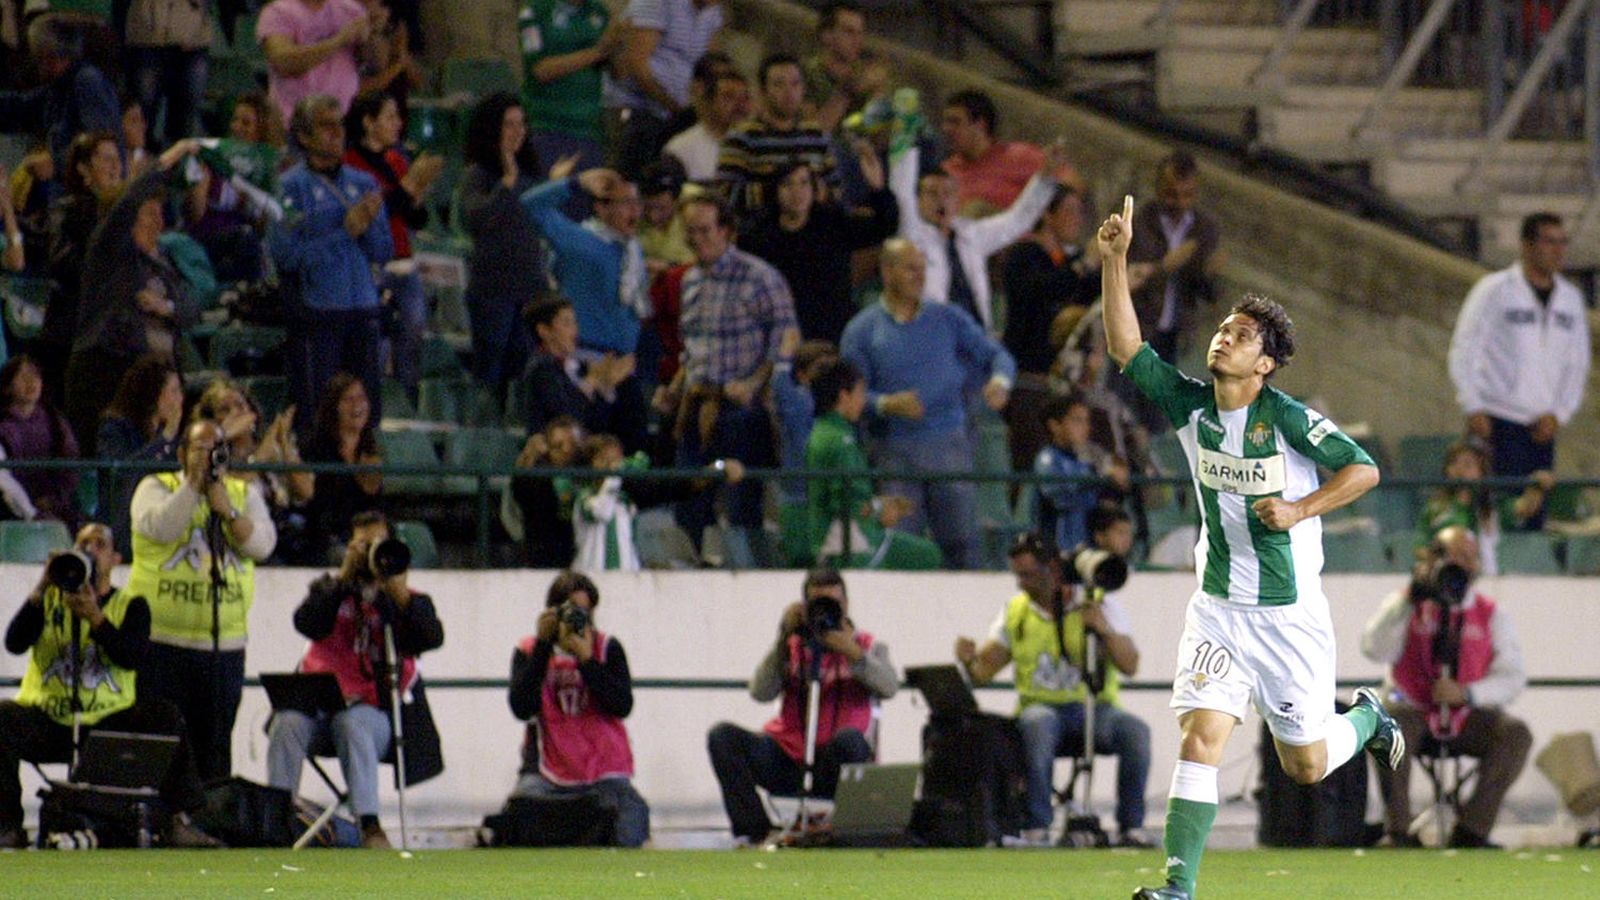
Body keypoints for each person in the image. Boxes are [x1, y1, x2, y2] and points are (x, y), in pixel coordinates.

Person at [1096, 197, 1403, 900]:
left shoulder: (1287, 419)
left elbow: (1364, 469)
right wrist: (1115, 262)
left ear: (1265, 364)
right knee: (1202, 735)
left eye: (1240, 336)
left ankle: (1367, 719)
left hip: (1287, 617)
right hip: (1218, 608)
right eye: (1224, 329)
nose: (1223, 339)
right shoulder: (1191, 406)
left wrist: (1300, 507)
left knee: (1305, 765)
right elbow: (1125, 350)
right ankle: (1178, 886)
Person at [0, 522, 219, 849]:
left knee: (165, 716)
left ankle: (179, 819)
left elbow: (132, 656)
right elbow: (14, 643)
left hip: (106, 724)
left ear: (115, 559)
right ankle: (7, 827)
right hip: (51, 718)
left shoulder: (130, 605)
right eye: (83, 543)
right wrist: (43, 586)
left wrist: (96, 620)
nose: (90, 549)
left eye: (99, 544)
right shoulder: (47, 602)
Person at [955, 532, 1151, 847]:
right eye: (1018, 575)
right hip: (1041, 707)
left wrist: (1103, 629)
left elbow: (1130, 665)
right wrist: (968, 661)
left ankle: (1132, 827)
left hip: (1094, 707)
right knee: (1038, 724)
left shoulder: (1099, 603)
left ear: (1054, 571)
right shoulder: (1016, 611)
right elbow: (983, 671)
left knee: (1135, 732)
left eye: (1029, 575)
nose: (1022, 583)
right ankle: (1037, 826)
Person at [267, 510, 444, 850]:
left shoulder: (408, 602)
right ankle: (275, 821)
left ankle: (370, 825)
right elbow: (307, 623)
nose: (370, 554)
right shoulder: (329, 591)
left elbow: (430, 637)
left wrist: (397, 591)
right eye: (362, 545)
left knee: (353, 722)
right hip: (320, 713)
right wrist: (343, 579)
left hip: (374, 719)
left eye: (378, 545)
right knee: (286, 721)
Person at [839, 238, 1015, 570]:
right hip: (893, 451)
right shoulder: (861, 331)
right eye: (910, 268)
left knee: (963, 543)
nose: (920, 276)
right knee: (901, 547)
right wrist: (885, 404)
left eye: (923, 268)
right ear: (886, 272)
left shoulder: (948, 318)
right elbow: (848, 397)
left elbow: (998, 356)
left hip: (949, 447)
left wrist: (999, 380)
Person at [1360, 525, 1531, 849]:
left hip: (1465, 714)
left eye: (1471, 558)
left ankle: (1472, 831)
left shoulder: (1491, 614)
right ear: (1435, 558)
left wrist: (1469, 693)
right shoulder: (1406, 604)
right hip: (1411, 709)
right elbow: (1374, 648)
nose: (1464, 566)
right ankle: (1398, 831)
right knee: (1386, 724)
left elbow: (1513, 676)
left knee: (1515, 734)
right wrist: (1411, 597)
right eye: (1456, 557)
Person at [128, 420, 277, 780]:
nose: (210, 455)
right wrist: (194, 486)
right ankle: (156, 824)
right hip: (162, 645)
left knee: (213, 745)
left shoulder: (243, 495)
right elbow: (161, 528)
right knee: (160, 743)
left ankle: (208, 824)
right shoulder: (155, 487)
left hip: (222, 648)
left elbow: (262, 545)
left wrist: (226, 509)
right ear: (181, 454)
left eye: (217, 447)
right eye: (200, 448)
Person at [706, 568, 897, 845]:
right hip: (788, 757)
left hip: (837, 762)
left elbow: (889, 686)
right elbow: (760, 691)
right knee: (722, 737)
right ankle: (756, 831)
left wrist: (852, 652)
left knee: (851, 741)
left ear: (846, 605)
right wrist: (783, 638)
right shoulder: (793, 646)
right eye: (817, 604)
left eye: (833, 603)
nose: (825, 612)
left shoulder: (868, 646)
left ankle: (844, 833)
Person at [665, 194, 797, 567]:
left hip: (741, 413)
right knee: (688, 499)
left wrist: (754, 383)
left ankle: (749, 576)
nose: (698, 238)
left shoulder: (761, 278)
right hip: (696, 406)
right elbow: (691, 348)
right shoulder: (689, 281)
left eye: (705, 230)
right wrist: (675, 388)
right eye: (691, 231)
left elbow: (786, 340)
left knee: (742, 507)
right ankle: (690, 574)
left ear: (726, 231)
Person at [63, 143, 203, 457]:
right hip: (106, 373)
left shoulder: (161, 262)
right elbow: (128, 200)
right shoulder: (109, 254)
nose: (159, 223)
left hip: (153, 384)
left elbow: (192, 306)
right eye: (150, 214)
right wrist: (168, 159)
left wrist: (166, 307)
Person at [1448, 212, 1590, 504]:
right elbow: (1465, 347)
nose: (1558, 250)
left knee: (1533, 511)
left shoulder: (1569, 299)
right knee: (1493, 509)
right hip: (1497, 420)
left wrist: (1560, 413)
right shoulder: (1495, 290)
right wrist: (1473, 404)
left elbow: (1577, 363)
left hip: (1542, 428)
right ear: (1527, 245)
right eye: (1549, 241)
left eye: (1562, 242)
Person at [271, 93, 393, 431]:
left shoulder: (364, 183)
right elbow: (286, 256)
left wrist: (365, 230)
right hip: (319, 318)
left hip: (363, 312)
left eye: (339, 125)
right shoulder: (289, 188)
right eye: (325, 127)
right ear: (305, 136)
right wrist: (345, 232)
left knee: (367, 416)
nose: (336, 133)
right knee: (319, 417)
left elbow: (383, 249)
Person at [506, 570, 648, 846]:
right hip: (546, 773)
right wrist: (544, 647)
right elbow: (522, 708)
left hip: (603, 770)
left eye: (584, 612)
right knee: (520, 812)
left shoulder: (606, 648)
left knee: (629, 817)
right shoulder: (529, 650)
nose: (577, 620)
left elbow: (621, 705)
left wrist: (586, 659)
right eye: (570, 611)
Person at [888, 139, 1067, 332]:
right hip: (935, 341)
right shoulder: (912, 236)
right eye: (932, 193)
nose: (941, 200)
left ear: (957, 200)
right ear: (918, 200)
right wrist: (905, 146)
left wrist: (1045, 175)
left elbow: (1017, 220)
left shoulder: (972, 235)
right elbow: (902, 197)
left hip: (976, 339)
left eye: (947, 193)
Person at [739, 144, 896, 346]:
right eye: (788, 184)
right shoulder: (758, 235)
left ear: (814, 188)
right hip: (778, 338)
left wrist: (878, 189)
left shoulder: (832, 223)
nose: (797, 192)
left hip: (833, 335)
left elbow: (883, 227)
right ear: (775, 190)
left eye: (804, 183)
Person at [343, 90, 443, 404]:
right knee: (374, 335)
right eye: (389, 117)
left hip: (402, 259)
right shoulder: (350, 165)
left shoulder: (397, 160)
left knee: (414, 326)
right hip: (368, 264)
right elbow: (373, 213)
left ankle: (407, 396)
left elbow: (416, 218)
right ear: (368, 122)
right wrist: (407, 188)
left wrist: (418, 191)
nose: (398, 124)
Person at [804, 358, 939, 569]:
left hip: (840, 537)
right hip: (848, 543)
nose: (863, 400)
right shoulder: (840, 441)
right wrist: (881, 509)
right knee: (928, 555)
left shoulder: (825, 432)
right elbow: (847, 503)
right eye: (860, 393)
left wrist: (884, 503)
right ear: (843, 396)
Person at [1002, 183, 1097, 473]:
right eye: (1069, 211)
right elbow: (1039, 291)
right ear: (1047, 214)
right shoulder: (1023, 256)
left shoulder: (1075, 262)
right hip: (1027, 383)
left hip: (1065, 386)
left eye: (1080, 212)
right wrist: (1083, 266)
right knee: (1031, 465)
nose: (1077, 219)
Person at [457, 92, 540, 398]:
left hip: (528, 286)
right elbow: (477, 218)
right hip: (493, 289)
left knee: (523, 367)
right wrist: (506, 181)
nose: (518, 132)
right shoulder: (477, 176)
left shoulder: (530, 176)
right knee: (490, 367)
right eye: (509, 125)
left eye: (522, 124)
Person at [520, 164, 649, 359]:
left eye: (638, 203)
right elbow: (529, 205)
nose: (635, 212)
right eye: (626, 203)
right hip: (584, 353)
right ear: (601, 208)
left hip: (623, 360)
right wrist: (576, 183)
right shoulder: (577, 238)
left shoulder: (632, 250)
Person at [1124, 151, 1226, 366]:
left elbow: (1210, 294)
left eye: (1187, 195)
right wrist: (1166, 266)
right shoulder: (1140, 223)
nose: (1179, 203)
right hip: (1139, 328)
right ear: (1159, 188)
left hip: (1175, 336)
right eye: (1172, 194)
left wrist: (1209, 274)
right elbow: (1129, 279)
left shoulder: (1204, 229)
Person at [602, 0, 724, 180]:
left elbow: (709, 64)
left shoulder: (711, 11)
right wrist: (677, 108)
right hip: (636, 110)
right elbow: (636, 64)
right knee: (626, 181)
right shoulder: (657, 3)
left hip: (673, 115)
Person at [717, 53, 839, 224]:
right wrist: (776, 191)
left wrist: (816, 191)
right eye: (778, 85)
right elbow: (724, 195)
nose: (789, 92)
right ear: (763, 91)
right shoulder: (742, 137)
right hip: (760, 236)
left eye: (795, 84)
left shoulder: (816, 136)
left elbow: (837, 191)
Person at [520, 296, 648, 454]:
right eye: (567, 323)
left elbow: (597, 417)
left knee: (628, 389)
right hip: (558, 450)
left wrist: (608, 384)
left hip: (588, 443)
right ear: (544, 331)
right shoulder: (540, 369)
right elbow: (566, 418)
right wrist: (593, 382)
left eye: (574, 322)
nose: (575, 330)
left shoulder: (578, 365)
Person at [0, 15, 120, 168]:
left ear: (49, 55)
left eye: (37, 56)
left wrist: (55, 162)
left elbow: (99, 142)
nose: (35, 64)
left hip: (85, 186)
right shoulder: (59, 88)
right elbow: (20, 109)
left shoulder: (87, 82)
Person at [938, 89, 1081, 215]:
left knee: (977, 209)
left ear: (980, 125)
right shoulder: (946, 171)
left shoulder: (1018, 156)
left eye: (955, 122)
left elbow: (1073, 185)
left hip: (1016, 237)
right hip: (965, 239)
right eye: (945, 122)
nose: (946, 129)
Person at [96, 354, 184, 557]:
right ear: (154, 394)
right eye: (174, 391)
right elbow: (123, 473)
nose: (180, 398)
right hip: (122, 522)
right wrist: (165, 438)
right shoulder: (115, 429)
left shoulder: (174, 439)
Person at [518, 0, 621, 172]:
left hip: (590, 131)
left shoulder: (599, 12)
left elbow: (617, 73)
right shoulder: (534, 12)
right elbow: (541, 70)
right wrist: (598, 52)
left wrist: (619, 44)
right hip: (548, 128)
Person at [1417, 440, 1550, 573]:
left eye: (1467, 464)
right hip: (1446, 580)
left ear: (1481, 471)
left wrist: (1537, 487)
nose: (1459, 469)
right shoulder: (1434, 508)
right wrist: (1446, 561)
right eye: (1453, 463)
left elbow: (1526, 508)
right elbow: (1420, 547)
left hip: (1488, 580)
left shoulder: (1494, 506)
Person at [1033, 391, 1130, 554]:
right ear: (1055, 425)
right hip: (1058, 549)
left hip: (1085, 547)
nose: (1085, 428)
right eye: (1077, 421)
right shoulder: (1048, 459)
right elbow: (1060, 495)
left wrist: (1115, 484)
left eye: (1086, 421)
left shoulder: (1084, 462)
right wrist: (1103, 478)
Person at [303, 373, 383, 564]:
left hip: (369, 536)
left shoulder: (371, 450)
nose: (357, 405)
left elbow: (372, 496)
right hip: (329, 539)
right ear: (334, 407)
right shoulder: (317, 448)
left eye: (361, 398)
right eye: (349, 399)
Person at [258, 0, 370, 125]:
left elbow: (374, 61)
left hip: (345, 118)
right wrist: (338, 41)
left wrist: (371, 36)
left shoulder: (351, 8)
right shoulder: (278, 11)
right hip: (296, 122)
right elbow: (284, 62)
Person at [0, 354, 80, 527]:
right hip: (12, 511)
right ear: (7, 386)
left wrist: (54, 499)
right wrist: (30, 509)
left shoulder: (55, 422)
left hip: (55, 507)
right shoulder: (3, 426)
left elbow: (70, 465)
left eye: (35, 375)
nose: (31, 382)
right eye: (23, 377)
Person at [123, 0, 212, 147]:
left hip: (193, 37)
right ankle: (138, 165)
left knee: (185, 119)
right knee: (141, 116)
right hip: (147, 37)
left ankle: (178, 165)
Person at [801, 1, 889, 133]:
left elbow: (878, 136)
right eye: (849, 32)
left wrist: (878, 93)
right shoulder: (805, 73)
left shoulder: (865, 72)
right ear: (826, 35)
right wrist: (846, 91)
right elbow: (813, 134)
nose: (857, 40)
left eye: (860, 33)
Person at [510, 416, 584, 568]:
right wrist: (529, 457)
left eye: (573, 444)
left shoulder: (590, 471)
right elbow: (520, 491)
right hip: (544, 555)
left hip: (584, 554)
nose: (566, 450)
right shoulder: (537, 477)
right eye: (558, 445)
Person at [661, 68, 747, 182]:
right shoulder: (680, 149)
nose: (739, 105)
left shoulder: (758, 143)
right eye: (728, 97)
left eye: (745, 98)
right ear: (709, 102)